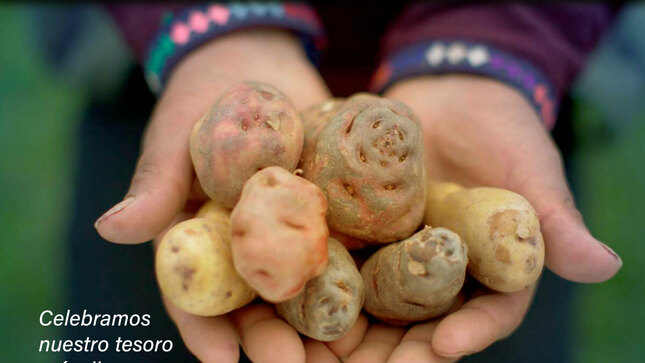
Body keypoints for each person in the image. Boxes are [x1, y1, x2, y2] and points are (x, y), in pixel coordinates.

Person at [90, 3, 622, 362]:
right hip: (164, 69)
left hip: (503, 76)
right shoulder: (262, 163)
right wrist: (218, 27)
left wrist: (492, 46)